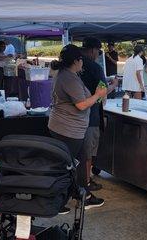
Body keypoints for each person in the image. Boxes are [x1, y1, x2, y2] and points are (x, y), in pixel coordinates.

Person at [48, 44, 107, 212]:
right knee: (67, 166)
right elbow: (81, 105)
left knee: (78, 164)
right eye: (81, 59)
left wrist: (97, 94)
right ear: (76, 61)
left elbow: (83, 99)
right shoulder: (69, 78)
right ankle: (57, 201)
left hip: (68, 128)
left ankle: (83, 196)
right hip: (67, 130)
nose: (83, 62)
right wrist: (98, 95)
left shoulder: (68, 75)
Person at [79, 37, 118, 193]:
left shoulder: (75, 66)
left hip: (75, 118)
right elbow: (102, 93)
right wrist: (114, 85)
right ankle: (86, 182)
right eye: (98, 51)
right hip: (91, 116)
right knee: (88, 153)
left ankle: (82, 179)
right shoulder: (95, 68)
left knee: (80, 152)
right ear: (94, 50)